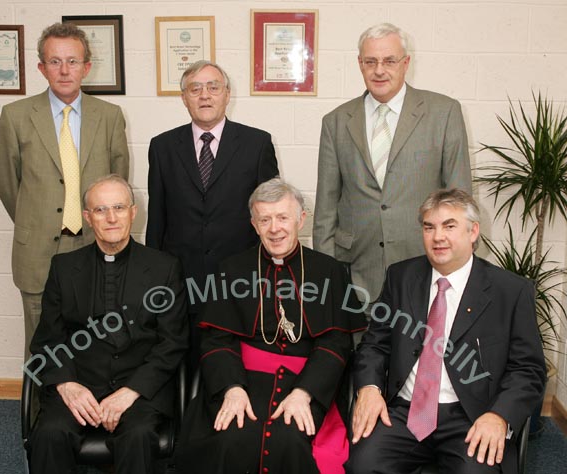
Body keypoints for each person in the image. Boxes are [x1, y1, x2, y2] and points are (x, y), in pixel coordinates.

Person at [346, 188, 546, 473]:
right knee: (363, 465)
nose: (437, 236)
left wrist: (499, 416)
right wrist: (369, 387)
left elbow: (528, 369)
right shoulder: (400, 277)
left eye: (449, 226)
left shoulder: (510, 291)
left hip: (472, 415)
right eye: (429, 227)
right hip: (404, 410)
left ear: (473, 231)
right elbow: (374, 344)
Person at [176, 178, 364, 474]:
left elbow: (335, 343)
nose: (274, 228)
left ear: (301, 219)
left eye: (282, 217)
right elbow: (216, 339)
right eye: (265, 219)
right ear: (254, 224)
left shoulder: (329, 271)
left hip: (307, 382)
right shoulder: (232, 269)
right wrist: (232, 388)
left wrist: (305, 393)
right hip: (243, 380)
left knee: (290, 438)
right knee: (232, 437)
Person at [26, 175, 188, 474]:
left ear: (133, 212)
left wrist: (131, 391)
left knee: (138, 436)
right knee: (49, 434)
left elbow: (172, 342)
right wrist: (67, 384)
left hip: (139, 386)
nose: (111, 218)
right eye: (100, 210)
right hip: (80, 381)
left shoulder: (165, 268)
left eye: (119, 207)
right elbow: (48, 339)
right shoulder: (64, 268)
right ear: (88, 218)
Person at [0, 22, 130, 357]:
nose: (64, 70)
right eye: (55, 61)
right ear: (42, 67)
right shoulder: (15, 116)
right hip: (37, 251)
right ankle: (39, 410)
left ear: (86, 66)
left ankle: (89, 408)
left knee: (95, 338)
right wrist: (36, 219)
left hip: (93, 245)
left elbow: (117, 185)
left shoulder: (110, 116)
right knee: (41, 343)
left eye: (72, 61)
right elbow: (7, 184)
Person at [313, 23, 472, 303]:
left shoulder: (443, 113)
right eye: (370, 61)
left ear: (406, 63)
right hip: (356, 275)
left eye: (389, 61)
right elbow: (325, 210)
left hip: (426, 268)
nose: (379, 70)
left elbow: (460, 199)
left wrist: (458, 271)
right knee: (362, 348)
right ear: (360, 64)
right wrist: (327, 278)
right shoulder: (336, 122)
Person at [146, 60, 279, 369]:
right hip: (182, 280)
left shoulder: (257, 143)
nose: (204, 95)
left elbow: (270, 214)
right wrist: (154, 279)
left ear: (227, 94)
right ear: (183, 97)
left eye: (213, 87)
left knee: (235, 365)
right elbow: (157, 218)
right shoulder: (162, 147)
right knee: (186, 364)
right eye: (195, 89)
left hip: (241, 281)